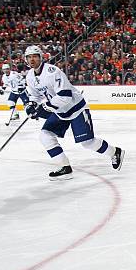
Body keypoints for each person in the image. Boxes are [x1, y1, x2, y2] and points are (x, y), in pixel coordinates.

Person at [23, 45, 124, 180]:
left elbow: (65, 96)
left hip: (76, 109)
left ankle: (115, 152)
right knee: (45, 135)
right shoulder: (30, 76)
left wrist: (45, 107)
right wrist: (31, 105)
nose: (32, 60)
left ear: (41, 57)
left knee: (88, 143)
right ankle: (64, 166)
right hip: (60, 111)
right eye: (29, 57)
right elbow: (35, 96)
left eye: (35, 56)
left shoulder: (53, 72)